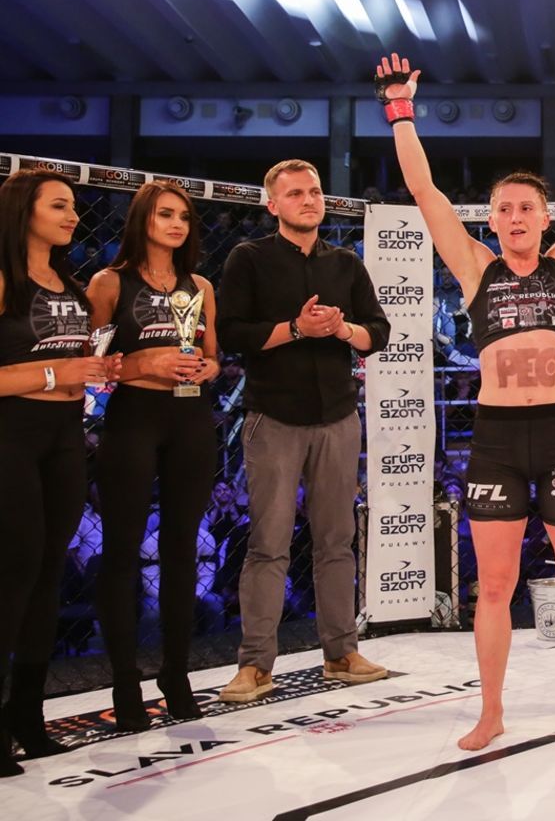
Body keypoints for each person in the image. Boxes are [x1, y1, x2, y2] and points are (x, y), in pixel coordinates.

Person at [377, 52, 555, 749]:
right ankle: (491, 713)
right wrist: (400, 111)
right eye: (503, 208)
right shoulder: (476, 267)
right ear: (493, 220)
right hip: (498, 440)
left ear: (544, 217)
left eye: (526, 207)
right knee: (496, 584)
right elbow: (424, 191)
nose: (514, 216)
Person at [216, 159, 391, 703]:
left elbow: (378, 333)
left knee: (336, 541)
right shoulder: (249, 258)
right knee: (268, 545)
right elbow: (231, 334)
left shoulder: (345, 262)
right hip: (274, 416)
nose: (309, 200)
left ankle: (341, 652)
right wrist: (296, 328)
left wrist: (342, 329)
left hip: (337, 416)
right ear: (273, 205)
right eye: (295, 193)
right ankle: (255, 664)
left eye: (314, 191)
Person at [84, 181, 219, 731]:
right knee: (121, 551)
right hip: (133, 419)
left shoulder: (201, 286)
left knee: (182, 549)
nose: (177, 224)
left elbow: (213, 356)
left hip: (190, 419)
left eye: (184, 216)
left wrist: (206, 368)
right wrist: (144, 365)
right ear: (143, 219)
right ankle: (124, 681)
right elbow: (89, 367)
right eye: (166, 214)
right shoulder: (109, 282)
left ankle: (176, 674)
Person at [0, 170, 122, 776]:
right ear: (24, 212)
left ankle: (28, 715)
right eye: (59, 206)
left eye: (74, 206)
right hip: (12, 435)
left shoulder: (70, 287)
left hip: (66, 436)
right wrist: (57, 374)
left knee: (49, 573)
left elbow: (76, 364)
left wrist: (99, 370)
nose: (73, 216)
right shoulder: (5, 282)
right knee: (15, 573)